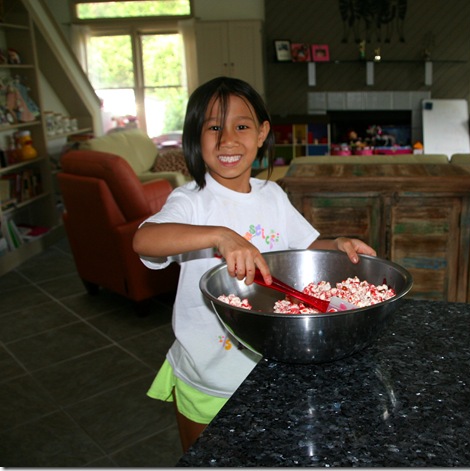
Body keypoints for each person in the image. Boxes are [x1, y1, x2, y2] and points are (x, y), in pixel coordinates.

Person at [132, 76, 376, 452]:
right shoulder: (191, 202)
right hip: (209, 375)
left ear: (262, 133)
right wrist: (219, 235)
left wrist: (338, 244)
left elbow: (306, 247)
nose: (227, 140)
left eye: (241, 127)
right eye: (214, 127)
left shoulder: (272, 194)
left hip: (273, 366)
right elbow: (145, 239)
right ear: (196, 135)